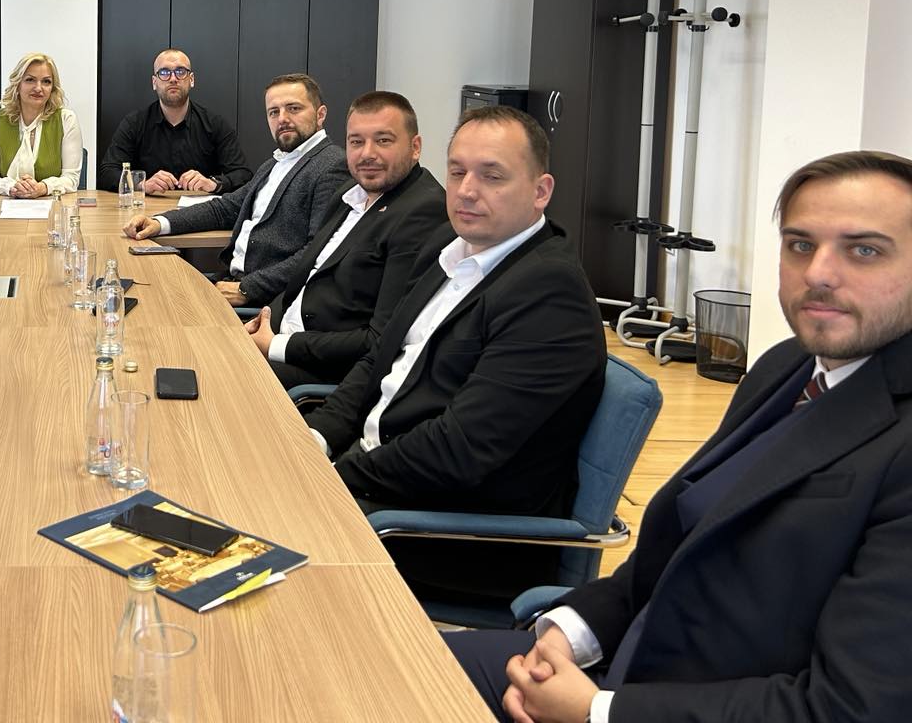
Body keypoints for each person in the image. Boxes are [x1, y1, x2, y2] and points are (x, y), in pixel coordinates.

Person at [447, 149, 912, 723]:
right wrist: (571, 629)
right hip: (619, 665)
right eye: (800, 245)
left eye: (864, 251)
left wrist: (599, 711)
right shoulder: (786, 367)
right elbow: (680, 548)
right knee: (372, 666)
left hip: (665, 705)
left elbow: (851, 709)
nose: (818, 273)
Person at [301, 105, 605, 602]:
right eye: (458, 172)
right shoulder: (452, 247)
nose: (466, 190)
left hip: (447, 531)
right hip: (377, 477)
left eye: (492, 176)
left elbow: (459, 450)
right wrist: (316, 438)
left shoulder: (550, 295)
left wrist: (335, 478)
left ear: (540, 191)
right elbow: (380, 361)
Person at [242, 91, 446, 389]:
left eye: (383, 140)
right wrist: (265, 319)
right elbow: (308, 278)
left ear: (415, 147)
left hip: (324, 371)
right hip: (277, 334)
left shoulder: (423, 212)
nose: (367, 154)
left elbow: (380, 339)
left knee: (210, 381)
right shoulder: (351, 192)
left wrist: (275, 345)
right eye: (356, 142)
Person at [123, 74, 348, 308]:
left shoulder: (331, 166)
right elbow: (225, 208)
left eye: (293, 108)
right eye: (274, 112)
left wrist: (246, 289)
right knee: (144, 293)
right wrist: (159, 222)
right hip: (231, 281)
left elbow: (318, 252)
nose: (282, 119)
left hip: (263, 301)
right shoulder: (276, 163)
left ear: (320, 114)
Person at [98, 48, 251, 196]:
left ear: (191, 80)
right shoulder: (134, 123)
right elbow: (107, 173)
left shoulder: (215, 124)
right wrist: (141, 184)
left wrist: (213, 184)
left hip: (202, 209)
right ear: (154, 82)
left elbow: (243, 174)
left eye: (180, 71)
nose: (173, 79)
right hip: (148, 209)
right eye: (164, 72)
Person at [0, 53, 83, 198]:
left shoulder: (66, 119)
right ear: (17, 84)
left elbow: (71, 178)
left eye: (46, 82)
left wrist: (42, 188)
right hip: (4, 204)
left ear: (52, 88)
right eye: (30, 80)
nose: (38, 88)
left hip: (52, 204)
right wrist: (11, 187)